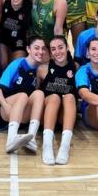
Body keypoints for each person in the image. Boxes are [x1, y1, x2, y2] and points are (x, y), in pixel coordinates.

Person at [0, 36, 46, 153]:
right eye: (36, 48)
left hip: (19, 115)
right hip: (2, 110)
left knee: (39, 94)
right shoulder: (17, 64)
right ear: (28, 49)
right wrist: (5, 106)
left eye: (42, 48)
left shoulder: (39, 70)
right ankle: (11, 139)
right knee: (23, 95)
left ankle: (31, 138)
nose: (40, 52)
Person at [38, 35, 77, 165]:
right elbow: (36, 95)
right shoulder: (43, 68)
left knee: (70, 96)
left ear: (67, 48)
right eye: (53, 49)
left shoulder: (76, 67)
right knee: (54, 97)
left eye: (60, 47)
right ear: (50, 52)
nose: (58, 51)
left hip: (64, 117)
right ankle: (47, 144)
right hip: (47, 115)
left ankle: (65, 146)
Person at [0, 0, 32, 68]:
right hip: (4, 41)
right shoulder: (3, 3)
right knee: (3, 63)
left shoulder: (30, 8)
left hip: (20, 44)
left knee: (15, 67)